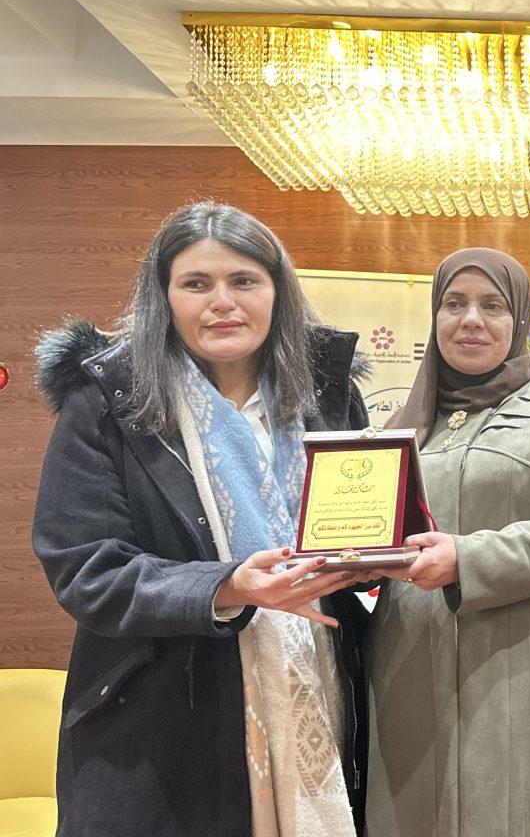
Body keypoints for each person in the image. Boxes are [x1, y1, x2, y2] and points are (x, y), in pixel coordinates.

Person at [32, 201, 372, 837]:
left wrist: (380, 556)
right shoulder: (108, 403)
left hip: (320, 691)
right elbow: (85, 569)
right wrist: (228, 586)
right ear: (164, 297)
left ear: (278, 292)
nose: (223, 303)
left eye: (244, 281)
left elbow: (354, 531)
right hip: (161, 726)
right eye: (196, 284)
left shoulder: (327, 396)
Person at [367, 248, 530, 837]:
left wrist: (466, 559)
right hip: (411, 672)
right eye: (454, 304)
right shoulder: (400, 429)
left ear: (518, 319)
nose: (471, 320)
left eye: (492, 305)